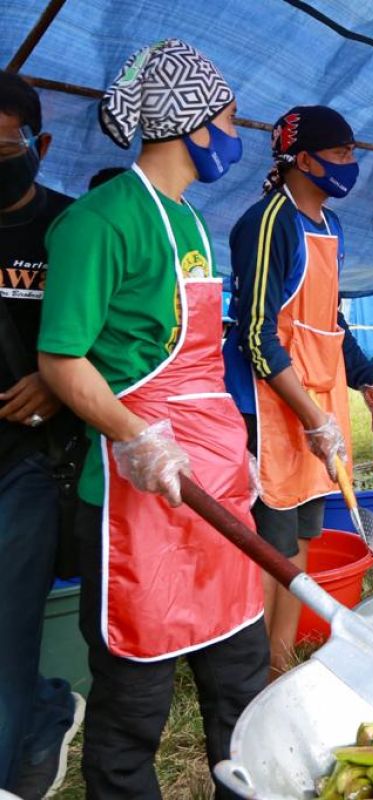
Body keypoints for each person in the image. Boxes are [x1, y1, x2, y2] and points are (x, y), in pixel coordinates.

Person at [37, 40, 268, 797]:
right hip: (139, 503)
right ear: (194, 125)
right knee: (134, 709)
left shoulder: (191, 225)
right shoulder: (98, 224)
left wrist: (234, 452)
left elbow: (198, 366)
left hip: (213, 496)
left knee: (242, 683)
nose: (237, 136)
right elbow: (63, 360)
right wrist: (140, 438)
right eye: (231, 119)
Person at [223, 105, 373, 676]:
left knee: (299, 535)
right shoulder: (271, 221)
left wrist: (369, 379)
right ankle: (258, 665)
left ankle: (282, 656)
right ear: (303, 160)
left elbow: (328, 321)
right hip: (270, 408)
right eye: (342, 154)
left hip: (314, 402)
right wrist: (309, 416)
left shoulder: (332, 227)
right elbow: (255, 333)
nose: (352, 165)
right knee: (272, 544)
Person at [0, 72, 84, 800]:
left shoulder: (73, 229)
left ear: (39, 144)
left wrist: (60, 384)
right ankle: (47, 706)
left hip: (32, 461)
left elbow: (122, 343)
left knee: (5, 627)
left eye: (4, 146)